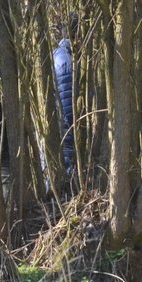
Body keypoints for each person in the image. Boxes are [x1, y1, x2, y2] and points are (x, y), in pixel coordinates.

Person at [52, 13, 79, 178]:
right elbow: (66, 97)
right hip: (67, 116)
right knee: (68, 151)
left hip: (63, 116)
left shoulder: (58, 55)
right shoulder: (67, 58)